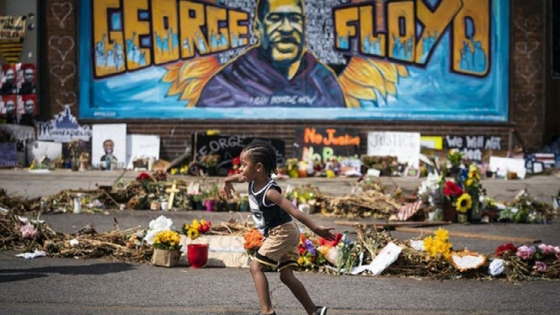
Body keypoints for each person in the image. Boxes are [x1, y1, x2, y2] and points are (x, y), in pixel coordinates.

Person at [221, 141, 334, 315]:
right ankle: (314, 311)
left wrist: (316, 228)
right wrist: (227, 180)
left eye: (244, 165)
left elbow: (294, 210)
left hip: (283, 232)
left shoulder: (269, 192)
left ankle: (267, 312)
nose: (240, 169)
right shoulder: (252, 180)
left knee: (256, 267)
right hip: (283, 231)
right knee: (286, 276)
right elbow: (239, 178)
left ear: (258, 167)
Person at [197, 0, 345, 108]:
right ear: (257, 28)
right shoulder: (226, 84)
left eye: (295, 19)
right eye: (275, 19)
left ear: (305, 26)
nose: (287, 28)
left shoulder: (324, 81)